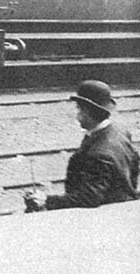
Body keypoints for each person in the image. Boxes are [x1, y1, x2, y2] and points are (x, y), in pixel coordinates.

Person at [24, 79, 138, 211]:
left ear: (87, 111)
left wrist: (46, 200)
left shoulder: (99, 153)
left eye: (78, 108)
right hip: (121, 204)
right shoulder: (120, 132)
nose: (77, 115)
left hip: (103, 216)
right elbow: (134, 166)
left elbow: (88, 198)